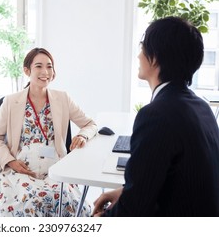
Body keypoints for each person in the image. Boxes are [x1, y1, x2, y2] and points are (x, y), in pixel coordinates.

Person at [92, 16, 219, 217]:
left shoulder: (156, 115)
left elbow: (134, 209)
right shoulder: (201, 107)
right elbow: (172, 180)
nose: (138, 56)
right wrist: (124, 192)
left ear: (155, 57)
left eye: (143, 48)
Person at [0, 47, 97, 217]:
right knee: (30, 200)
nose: (45, 72)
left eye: (49, 66)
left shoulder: (63, 99)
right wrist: (10, 161)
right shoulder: (11, 102)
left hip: (54, 169)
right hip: (21, 170)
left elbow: (90, 124)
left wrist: (83, 135)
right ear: (27, 70)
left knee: (65, 200)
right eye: (38, 66)